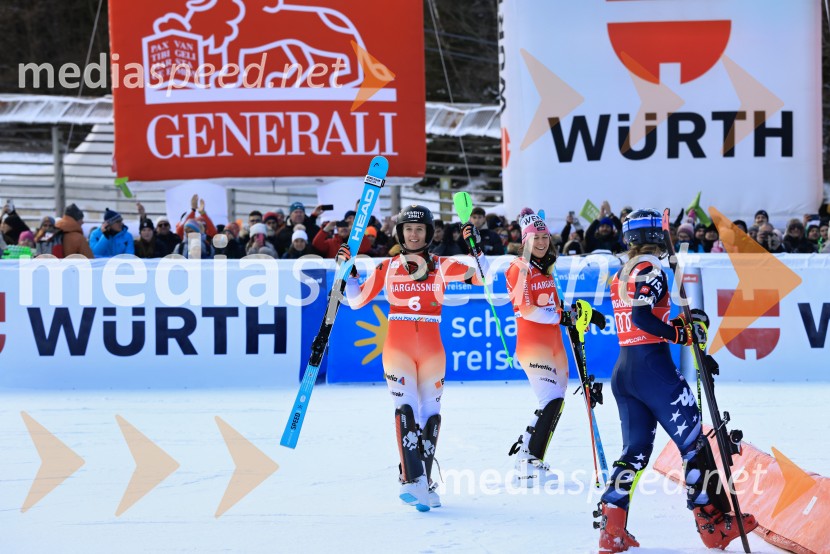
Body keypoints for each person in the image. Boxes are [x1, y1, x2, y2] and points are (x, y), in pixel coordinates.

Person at [596, 209, 757, 552]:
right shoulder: (650, 268)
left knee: (634, 453)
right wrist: (679, 334)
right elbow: (642, 317)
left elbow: (639, 317)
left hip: (624, 370)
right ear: (657, 236)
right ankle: (713, 524)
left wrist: (679, 326)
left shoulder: (621, 272)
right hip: (653, 369)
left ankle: (611, 529)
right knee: (694, 444)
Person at [339, 205, 488, 512]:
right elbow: (356, 300)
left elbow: (482, 278)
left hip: (432, 349)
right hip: (398, 348)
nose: (414, 234)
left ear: (429, 234)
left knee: (430, 416)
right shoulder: (388, 267)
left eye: (419, 229)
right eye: (408, 229)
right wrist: (349, 273)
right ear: (400, 233)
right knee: (405, 409)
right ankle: (411, 480)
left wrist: (476, 249)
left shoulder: (443, 265)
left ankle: (424, 481)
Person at [505, 209, 575, 486]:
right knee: (551, 400)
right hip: (533, 344)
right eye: (536, 238)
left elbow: (555, 306)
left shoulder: (546, 268)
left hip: (553, 343)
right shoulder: (519, 267)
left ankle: (526, 452)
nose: (542, 242)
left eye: (545, 237)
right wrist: (561, 316)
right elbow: (527, 309)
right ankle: (532, 461)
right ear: (525, 241)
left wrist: (576, 314)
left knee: (555, 402)